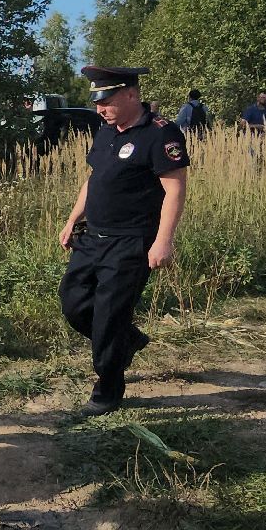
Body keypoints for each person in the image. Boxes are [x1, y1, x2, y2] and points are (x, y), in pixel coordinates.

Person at [57, 66, 189, 416]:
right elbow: (94, 178)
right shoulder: (106, 131)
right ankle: (127, 341)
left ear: (131, 94)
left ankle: (108, 388)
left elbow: (175, 189)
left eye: (108, 101)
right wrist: (73, 219)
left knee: (109, 317)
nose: (100, 108)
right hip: (92, 238)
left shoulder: (161, 134)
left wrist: (164, 241)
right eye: (98, 102)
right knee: (73, 302)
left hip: (130, 242)